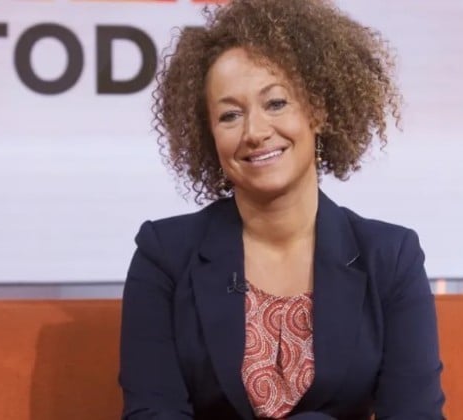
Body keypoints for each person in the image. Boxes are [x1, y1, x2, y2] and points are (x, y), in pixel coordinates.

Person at [119, 0, 445, 419]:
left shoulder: (390, 257)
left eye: (275, 103)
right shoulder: (164, 255)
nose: (255, 132)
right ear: (209, 135)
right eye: (230, 115)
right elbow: (152, 412)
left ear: (318, 110)